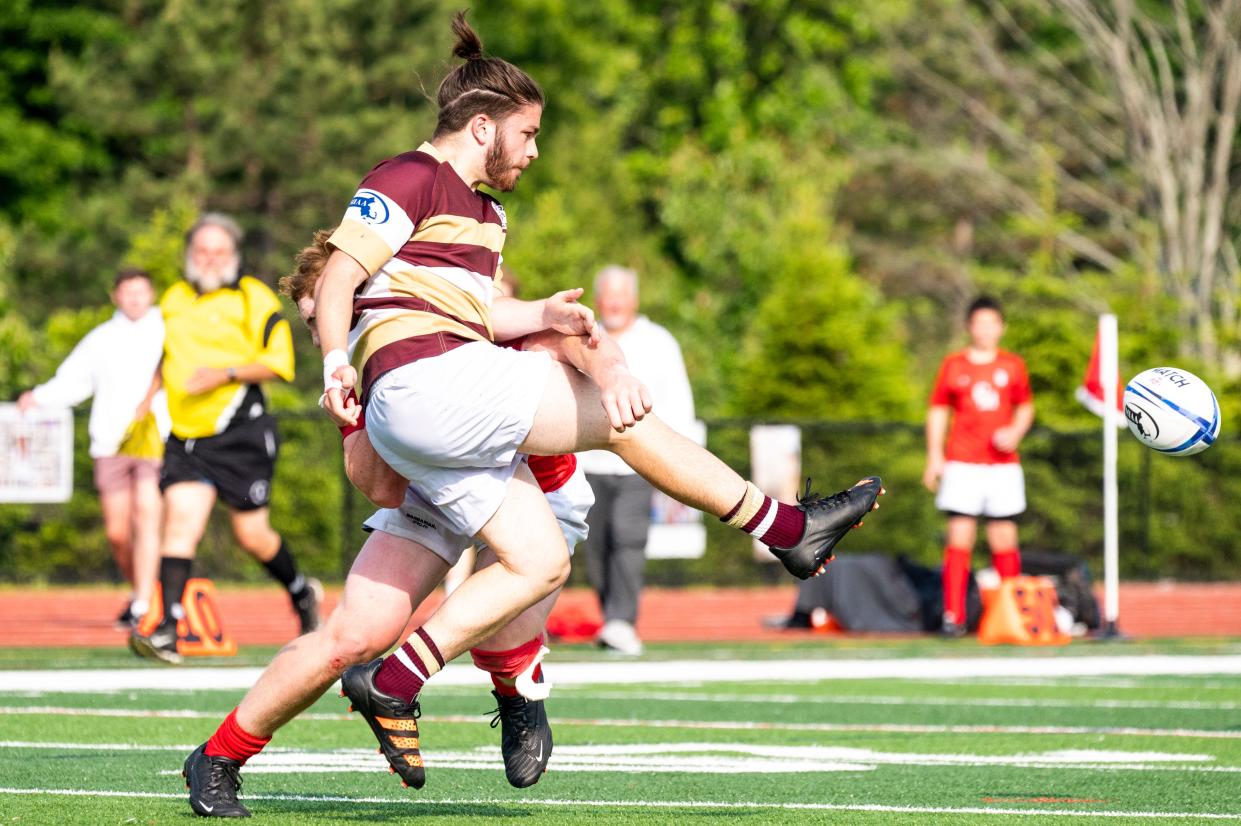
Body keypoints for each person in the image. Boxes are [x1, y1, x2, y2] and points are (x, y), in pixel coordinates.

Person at [313, 10, 881, 795]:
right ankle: (785, 528)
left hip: (441, 392)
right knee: (621, 417)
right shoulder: (408, 175)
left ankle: (398, 680)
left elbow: (479, 317)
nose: (536, 152)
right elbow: (339, 275)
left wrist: (542, 314)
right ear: (483, 127)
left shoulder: (486, 213)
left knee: (539, 561)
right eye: (530, 134)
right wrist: (336, 360)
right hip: (422, 386)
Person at [181, 232, 608, 817]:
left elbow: (566, 340)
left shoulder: (441, 304)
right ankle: (219, 756)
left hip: (535, 485)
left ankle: (514, 689)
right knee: (351, 637)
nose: (319, 335)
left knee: (511, 616)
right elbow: (382, 485)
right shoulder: (364, 361)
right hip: (435, 486)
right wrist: (353, 423)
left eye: (325, 313)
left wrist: (615, 374)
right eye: (311, 323)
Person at [129, 213, 321, 664]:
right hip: (187, 438)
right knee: (179, 522)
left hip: (241, 433)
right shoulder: (174, 299)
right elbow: (169, 356)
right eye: (201, 250)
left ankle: (300, 593)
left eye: (218, 251)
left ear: (232, 256)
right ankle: (168, 628)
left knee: (252, 535)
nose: (209, 258)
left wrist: (223, 374)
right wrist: (148, 395)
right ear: (189, 255)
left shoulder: (252, 298)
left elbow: (280, 363)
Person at [17, 267, 167, 628]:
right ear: (115, 295)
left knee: (147, 515)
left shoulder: (168, 329)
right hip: (110, 443)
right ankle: (140, 592)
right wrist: (36, 397)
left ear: (151, 295)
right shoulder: (101, 338)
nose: (134, 298)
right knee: (117, 532)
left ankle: (145, 603)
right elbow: (72, 381)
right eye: (127, 291)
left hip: (155, 439)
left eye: (141, 291)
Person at [578, 265, 695, 655]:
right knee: (595, 545)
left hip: (638, 463)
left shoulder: (659, 342)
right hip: (589, 462)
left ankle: (622, 621)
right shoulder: (584, 337)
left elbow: (679, 405)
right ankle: (611, 615)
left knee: (628, 540)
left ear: (635, 299)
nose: (614, 301)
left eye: (621, 293)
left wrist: (679, 465)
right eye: (608, 293)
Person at [923, 295, 1035, 636]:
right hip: (962, 463)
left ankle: (1012, 614)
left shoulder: (1013, 365)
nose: (986, 329)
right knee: (960, 536)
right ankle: (953, 616)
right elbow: (938, 409)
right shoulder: (954, 365)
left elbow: (1025, 407)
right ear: (970, 327)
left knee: (1004, 536)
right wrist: (934, 456)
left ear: (1001, 327)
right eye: (979, 323)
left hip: (1002, 467)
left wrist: (1015, 431)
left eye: (992, 323)